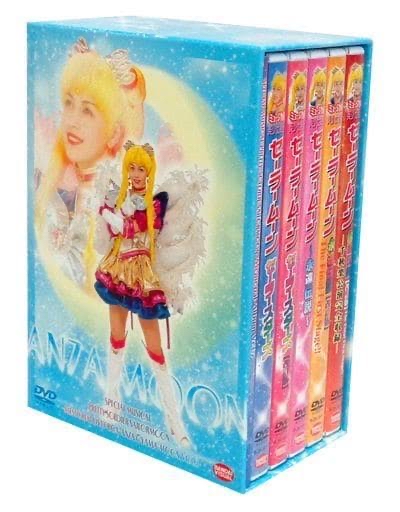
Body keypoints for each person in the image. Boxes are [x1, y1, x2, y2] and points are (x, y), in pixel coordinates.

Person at [95, 141, 191, 448]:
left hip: (142, 273)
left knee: (156, 349)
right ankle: (111, 401)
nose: (136, 174)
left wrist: (114, 215)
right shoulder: (119, 196)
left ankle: (175, 422)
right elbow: (113, 232)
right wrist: (109, 211)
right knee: (116, 337)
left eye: (142, 169)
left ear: (150, 171)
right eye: (132, 168)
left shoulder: (156, 202)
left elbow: (137, 227)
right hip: (116, 268)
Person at [35, 38, 146, 291]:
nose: (72, 121)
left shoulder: (116, 197)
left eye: (87, 111)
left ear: (114, 133)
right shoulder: (52, 181)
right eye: (68, 103)